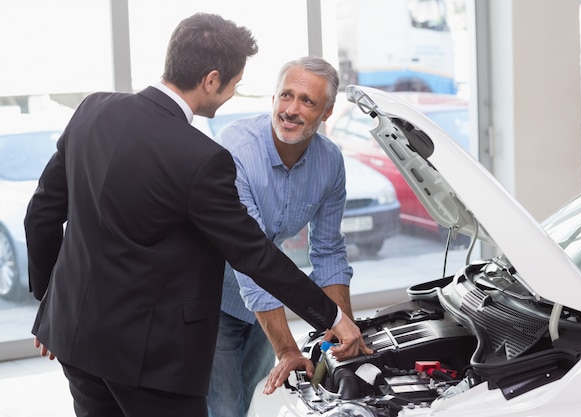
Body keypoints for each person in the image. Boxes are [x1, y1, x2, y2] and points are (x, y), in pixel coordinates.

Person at [23, 13, 366, 417]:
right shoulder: (202, 158)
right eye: (234, 85)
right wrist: (333, 316)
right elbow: (253, 253)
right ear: (211, 80)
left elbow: (41, 214)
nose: (232, 96)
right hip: (151, 360)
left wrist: (51, 304)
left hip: (75, 341)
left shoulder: (93, 110)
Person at [207, 56, 372, 417]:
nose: (291, 110)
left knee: (260, 400)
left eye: (307, 101)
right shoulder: (236, 149)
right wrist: (286, 348)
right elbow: (247, 257)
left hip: (267, 298)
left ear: (327, 112)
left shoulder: (330, 161)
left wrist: (341, 329)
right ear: (272, 99)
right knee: (223, 408)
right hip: (211, 298)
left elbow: (328, 251)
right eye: (286, 96)